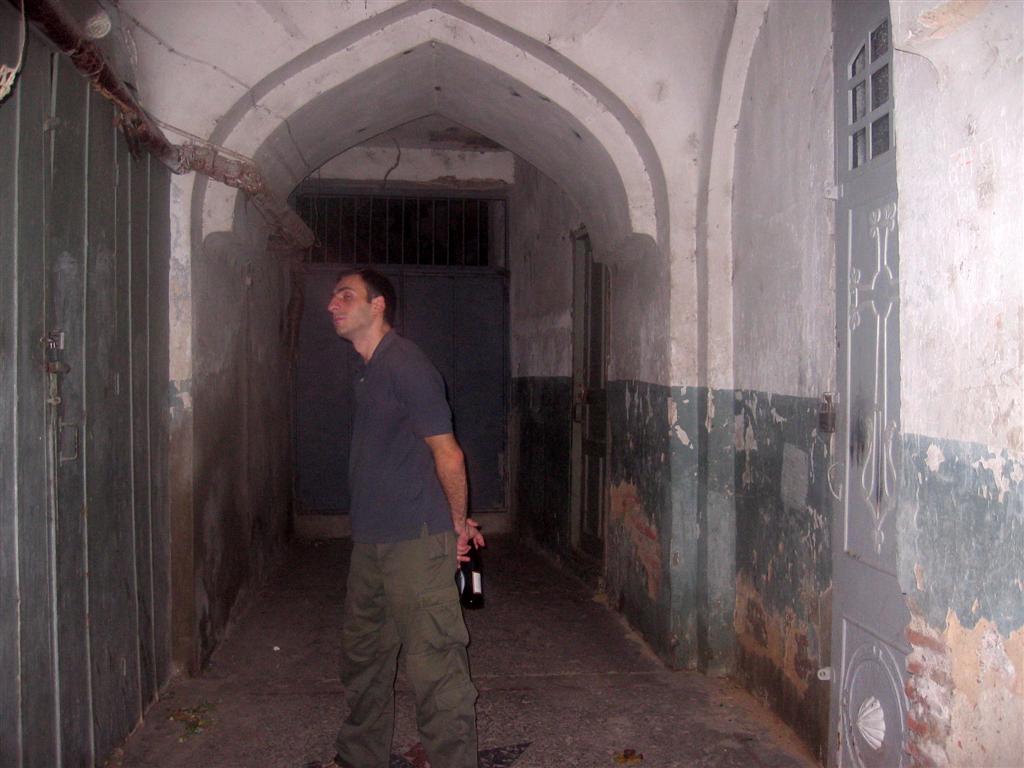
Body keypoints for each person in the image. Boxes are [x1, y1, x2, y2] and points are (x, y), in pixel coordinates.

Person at [312, 268, 485, 768]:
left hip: (416, 539)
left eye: (346, 296)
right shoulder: (368, 371)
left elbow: (448, 454)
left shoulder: (407, 365)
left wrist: (457, 522)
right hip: (371, 541)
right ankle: (359, 755)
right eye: (333, 296)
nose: (332, 305)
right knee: (364, 657)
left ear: (378, 305)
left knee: (436, 663)